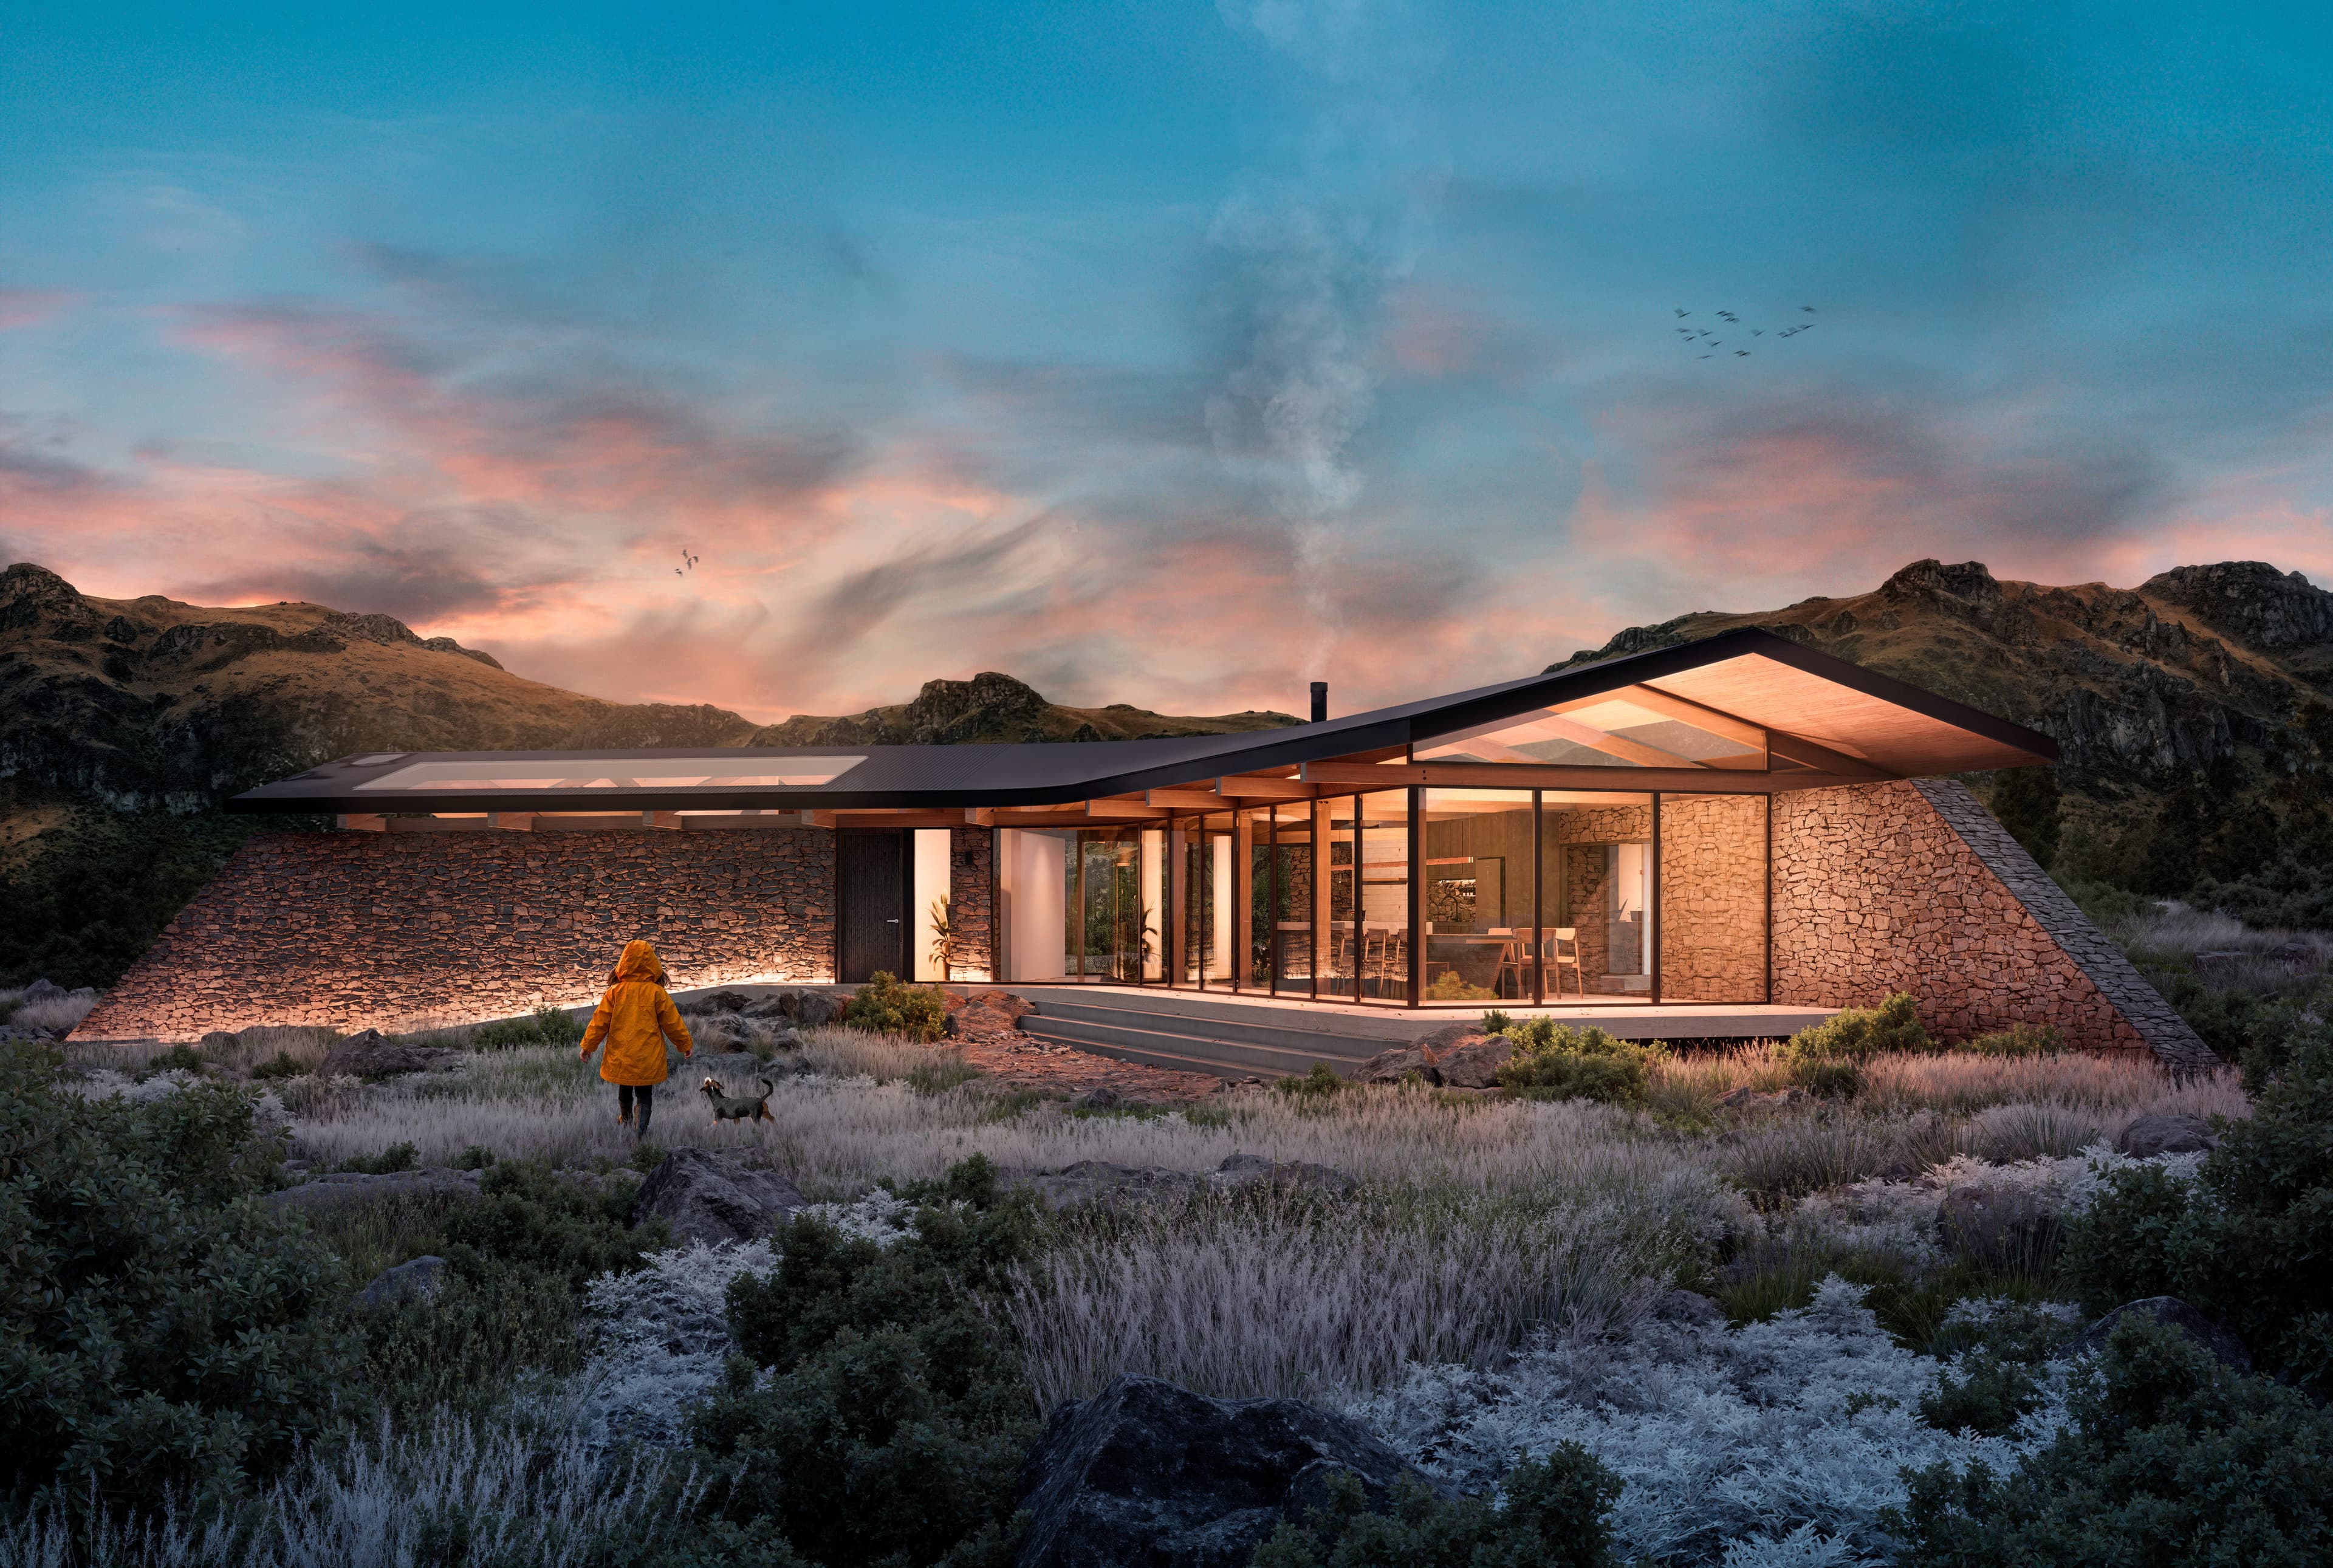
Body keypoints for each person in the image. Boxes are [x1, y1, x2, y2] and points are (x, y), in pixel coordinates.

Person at [578, 939, 693, 1138]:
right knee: (644, 1094)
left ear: (624, 963)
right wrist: (684, 1044)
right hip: (647, 1056)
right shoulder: (657, 993)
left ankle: (626, 1121)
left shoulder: (615, 992)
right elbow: (672, 1022)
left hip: (622, 1055)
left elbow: (600, 1022)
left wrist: (588, 1046)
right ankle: (640, 1132)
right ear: (652, 964)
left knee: (624, 1090)